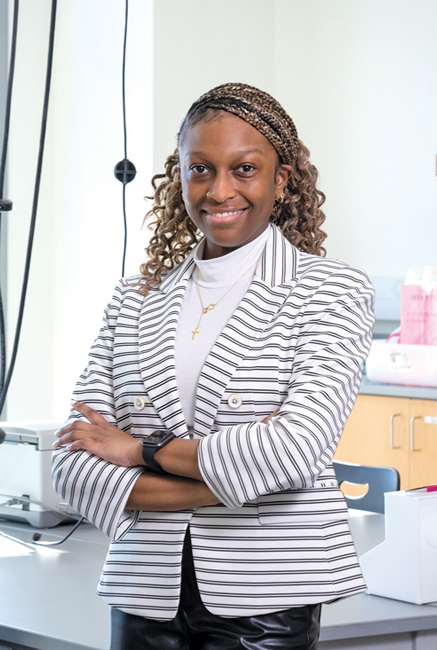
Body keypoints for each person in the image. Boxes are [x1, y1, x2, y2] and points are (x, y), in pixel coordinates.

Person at [52, 83, 374, 650]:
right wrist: (241, 478)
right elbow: (73, 468)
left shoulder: (329, 291)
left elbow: (293, 453)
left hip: (266, 596)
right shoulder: (136, 298)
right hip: (144, 591)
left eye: (244, 169)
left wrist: (138, 450)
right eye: (200, 168)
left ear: (282, 179)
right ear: (179, 176)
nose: (219, 190)